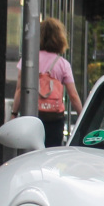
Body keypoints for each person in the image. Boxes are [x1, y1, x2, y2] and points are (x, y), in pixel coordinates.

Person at [18, 17, 83, 147]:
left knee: (29, 154)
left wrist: (14, 114)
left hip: (32, 116)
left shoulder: (28, 60)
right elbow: (73, 96)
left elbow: (19, 90)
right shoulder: (62, 64)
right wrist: (83, 117)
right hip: (55, 119)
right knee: (51, 153)